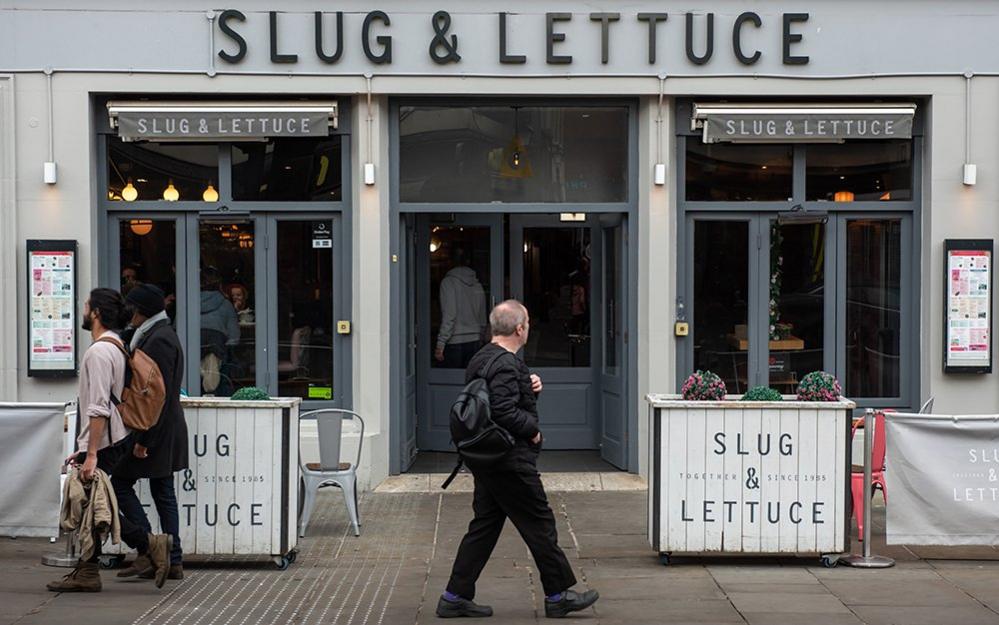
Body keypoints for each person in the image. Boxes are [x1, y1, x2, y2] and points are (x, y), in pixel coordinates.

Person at [437, 300, 599, 619]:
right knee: (539, 523)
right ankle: (557, 595)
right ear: (520, 328)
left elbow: (493, 400)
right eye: (528, 323)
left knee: (484, 527)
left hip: (488, 460)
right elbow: (504, 411)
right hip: (509, 460)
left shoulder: (482, 357)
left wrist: (529, 386)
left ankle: (454, 596)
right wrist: (534, 431)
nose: (529, 328)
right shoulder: (508, 364)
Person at [47, 288, 172, 593]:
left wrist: (90, 453)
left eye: (86, 306)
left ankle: (146, 545)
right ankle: (94, 567)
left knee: (94, 503)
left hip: (106, 440)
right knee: (94, 504)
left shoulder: (100, 351)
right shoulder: (116, 346)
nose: (84, 311)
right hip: (112, 438)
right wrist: (85, 449)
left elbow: (99, 405)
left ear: (97, 313)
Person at [113, 284, 189, 581]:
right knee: (162, 491)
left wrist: (145, 440)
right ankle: (172, 560)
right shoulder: (157, 334)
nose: (128, 313)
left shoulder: (158, 340)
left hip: (156, 430)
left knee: (119, 482)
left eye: (131, 308)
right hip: (164, 427)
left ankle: (150, 549)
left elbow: (157, 396)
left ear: (140, 310)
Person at [435, 247, 487, 369]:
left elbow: (450, 315)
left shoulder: (448, 283)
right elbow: (482, 315)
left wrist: (441, 343)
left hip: (454, 340)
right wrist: (482, 335)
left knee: (452, 382)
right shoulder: (477, 284)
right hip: (474, 339)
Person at [199, 267, 239, 394]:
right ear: (219, 284)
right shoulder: (226, 304)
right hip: (217, 351)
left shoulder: (187, 303)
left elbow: (177, 330)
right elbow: (234, 338)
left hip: (190, 351)